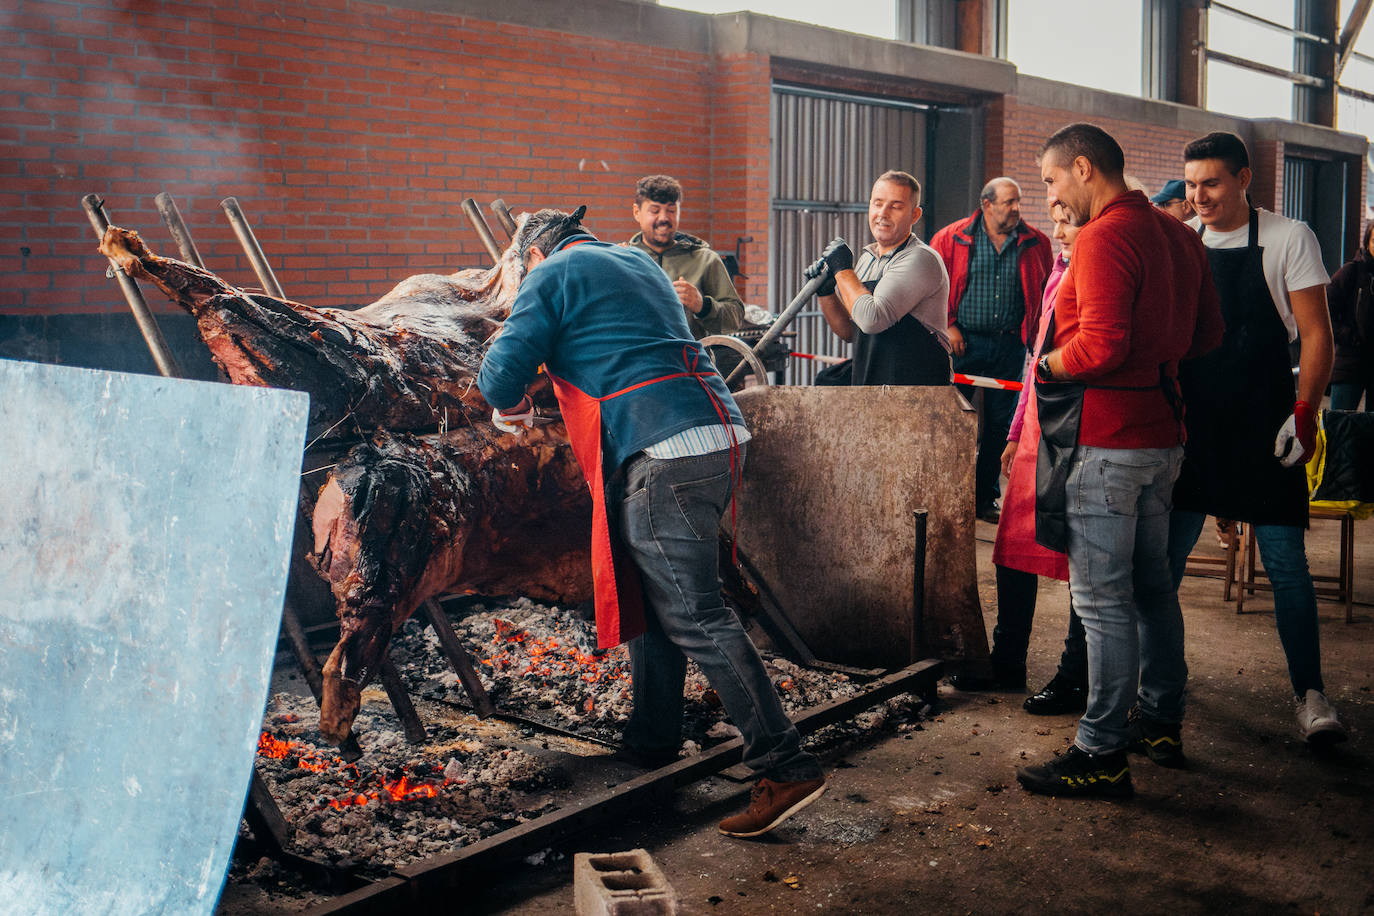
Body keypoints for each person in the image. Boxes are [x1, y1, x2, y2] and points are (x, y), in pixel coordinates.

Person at [478, 207, 826, 838]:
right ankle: (653, 736)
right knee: (659, 593)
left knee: (696, 613)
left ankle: (785, 762)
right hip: (718, 431)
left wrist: (512, 410)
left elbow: (498, 372)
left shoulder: (550, 272)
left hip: (664, 450)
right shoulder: (637, 259)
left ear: (533, 254)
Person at [1015, 123, 1222, 799]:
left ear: (1082, 168)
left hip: (1107, 443)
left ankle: (1101, 750)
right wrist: (1153, 360)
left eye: (1050, 181)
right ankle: (1160, 721)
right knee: (1151, 589)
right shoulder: (1177, 234)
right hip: (1162, 437)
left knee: (1102, 603)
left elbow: (1098, 347)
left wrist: (1046, 363)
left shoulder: (1106, 234)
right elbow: (1208, 334)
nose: (1051, 195)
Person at [1169, 131, 1348, 744]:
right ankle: (1160, 683)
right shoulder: (1182, 239)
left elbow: (1318, 335)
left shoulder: (1288, 236)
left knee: (1285, 564)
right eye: (1191, 186)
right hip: (1193, 425)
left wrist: (1305, 412)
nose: (1199, 197)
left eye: (1212, 183)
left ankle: (1312, 695)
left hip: (1265, 420)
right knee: (1164, 561)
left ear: (1245, 179)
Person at [951, 204, 1084, 707]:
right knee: (1012, 548)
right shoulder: (1060, 267)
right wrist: (1013, 431)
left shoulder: (1092, 267)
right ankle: (1006, 661)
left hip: (1073, 424)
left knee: (1082, 558)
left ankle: (1075, 674)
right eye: (1056, 218)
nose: (1057, 231)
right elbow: (1035, 359)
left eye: (1068, 220)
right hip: (1036, 425)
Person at [932, 178, 1053, 522]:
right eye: (1008, 202)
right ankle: (949, 499)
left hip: (1010, 345)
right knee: (955, 422)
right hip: (962, 342)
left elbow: (1044, 292)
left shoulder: (1035, 242)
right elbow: (932, 285)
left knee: (1000, 426)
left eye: (1018, 201)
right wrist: (949, 324)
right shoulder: (950, 238)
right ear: (986, 204)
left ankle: (985, 499)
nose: (1016, 208)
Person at [808, 170, 952, 386]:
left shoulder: (920, 259)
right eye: (877, 203)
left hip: (916, 392)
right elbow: (851, 332)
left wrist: (843, 270)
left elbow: (872, 319)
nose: (883, 213)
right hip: (875, 387)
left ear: (915, 215)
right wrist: (826, 292)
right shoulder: (868, 258)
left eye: (895, 206)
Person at [625, 174, 746, 339]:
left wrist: (702, 305)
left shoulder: (705, 260)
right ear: (636, 212)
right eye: (654, 211)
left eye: (671, 210)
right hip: (635, 362)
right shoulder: (622, 259)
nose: (664, 218)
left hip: (689, 362)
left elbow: (736, 318)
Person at [1326, 220, 1374, 411]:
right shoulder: (1350, 272)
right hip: (1350, 362)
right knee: (1341, 425)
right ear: (1367, 242)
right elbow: (1325, 311)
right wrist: (1348, 337)